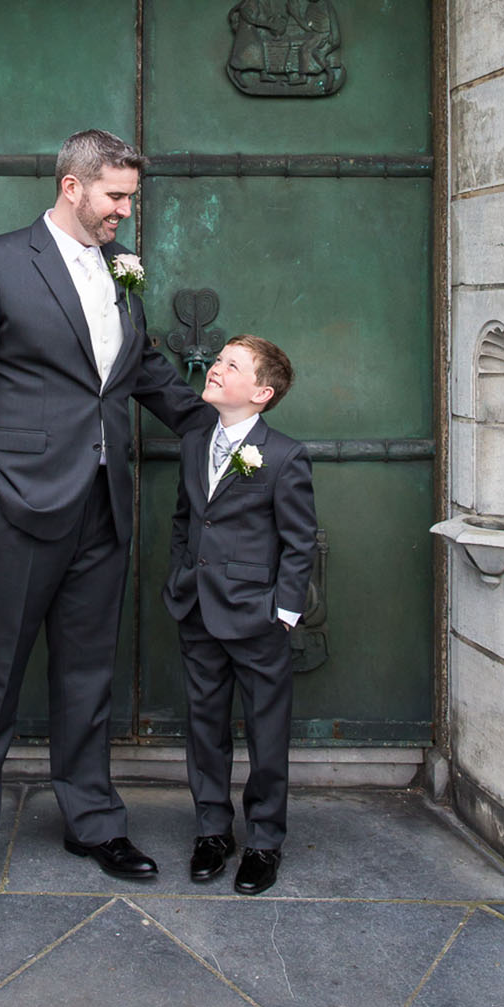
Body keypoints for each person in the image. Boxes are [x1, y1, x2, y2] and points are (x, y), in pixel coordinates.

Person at [0, 129, 212, 921]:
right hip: (14, 509)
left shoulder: (120, 274)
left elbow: (139, 371)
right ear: (71, 187)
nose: (127, 210)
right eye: (116, 196)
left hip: (102, 506)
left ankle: (92, 820)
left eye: (130, 197)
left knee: (87, 680)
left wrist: (220, 424)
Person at [162, 335, 317, 896]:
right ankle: (211, 831)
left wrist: (284, 614)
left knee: (266, 732)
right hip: (197, 607)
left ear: (261, 393)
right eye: (219, 360)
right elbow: (187, 520)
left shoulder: (283, 456)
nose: (217, 368)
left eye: (232, 365)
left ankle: (264, 841)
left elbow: (299, 542)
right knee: (204, 727)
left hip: (256, 618)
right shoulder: (194, 442)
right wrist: (181, 577)